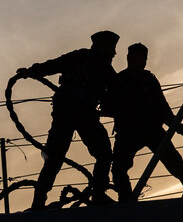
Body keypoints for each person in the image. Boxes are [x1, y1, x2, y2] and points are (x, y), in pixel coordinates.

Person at [17, 31, 119, 209]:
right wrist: (32, 71)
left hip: (81, 114)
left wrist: (32, 71)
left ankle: (96, 195)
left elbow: (115, 97)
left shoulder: (104, 70)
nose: (114, 53)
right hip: (69, 114)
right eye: (112, 48)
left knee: (99, 153)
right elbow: (54, 65)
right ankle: (40, 200)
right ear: (102, 46)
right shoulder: (85, 60)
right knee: (59, 157)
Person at [108, 43, 183, 202]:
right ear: (129, 59)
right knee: (118, 169)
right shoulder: (119, 81)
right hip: (128, 132)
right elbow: (108, 107)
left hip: (152, 130)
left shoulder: (149, 80)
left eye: (144, 59)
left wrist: (175, 124)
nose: (142, 62)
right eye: (138, 58)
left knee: (176, 164)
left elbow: (162, 106)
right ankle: (126, 201)